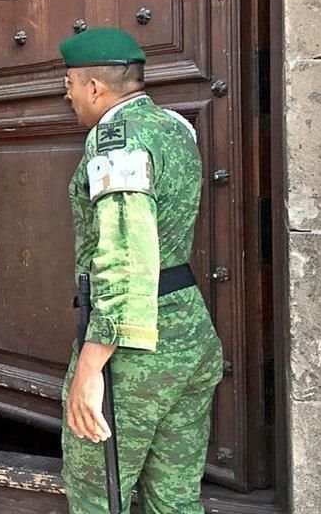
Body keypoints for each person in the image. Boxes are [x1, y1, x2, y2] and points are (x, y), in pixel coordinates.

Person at [59, 28, 223, 513]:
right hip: (187, 332)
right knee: (175, 499)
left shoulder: (116, 142)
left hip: (133, 355)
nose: (66, 94)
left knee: (98, 496)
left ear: (93, 87)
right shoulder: (173, 127)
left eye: (69, 83)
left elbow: (126, 256)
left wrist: (91, 367)